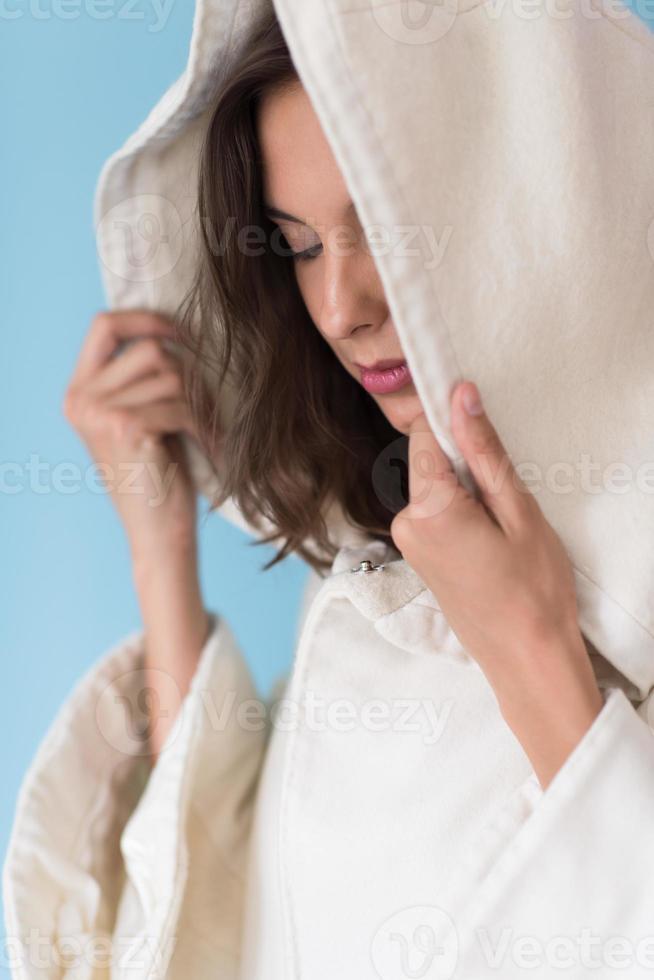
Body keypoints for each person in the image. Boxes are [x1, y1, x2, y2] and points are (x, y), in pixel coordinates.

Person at [5, 2, 654, 978]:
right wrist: (159, 542)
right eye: (300, 246)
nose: (344, 308)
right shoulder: (382, 560)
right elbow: (238, 928)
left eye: (390, 231)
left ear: (543, 193)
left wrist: (532, 651)